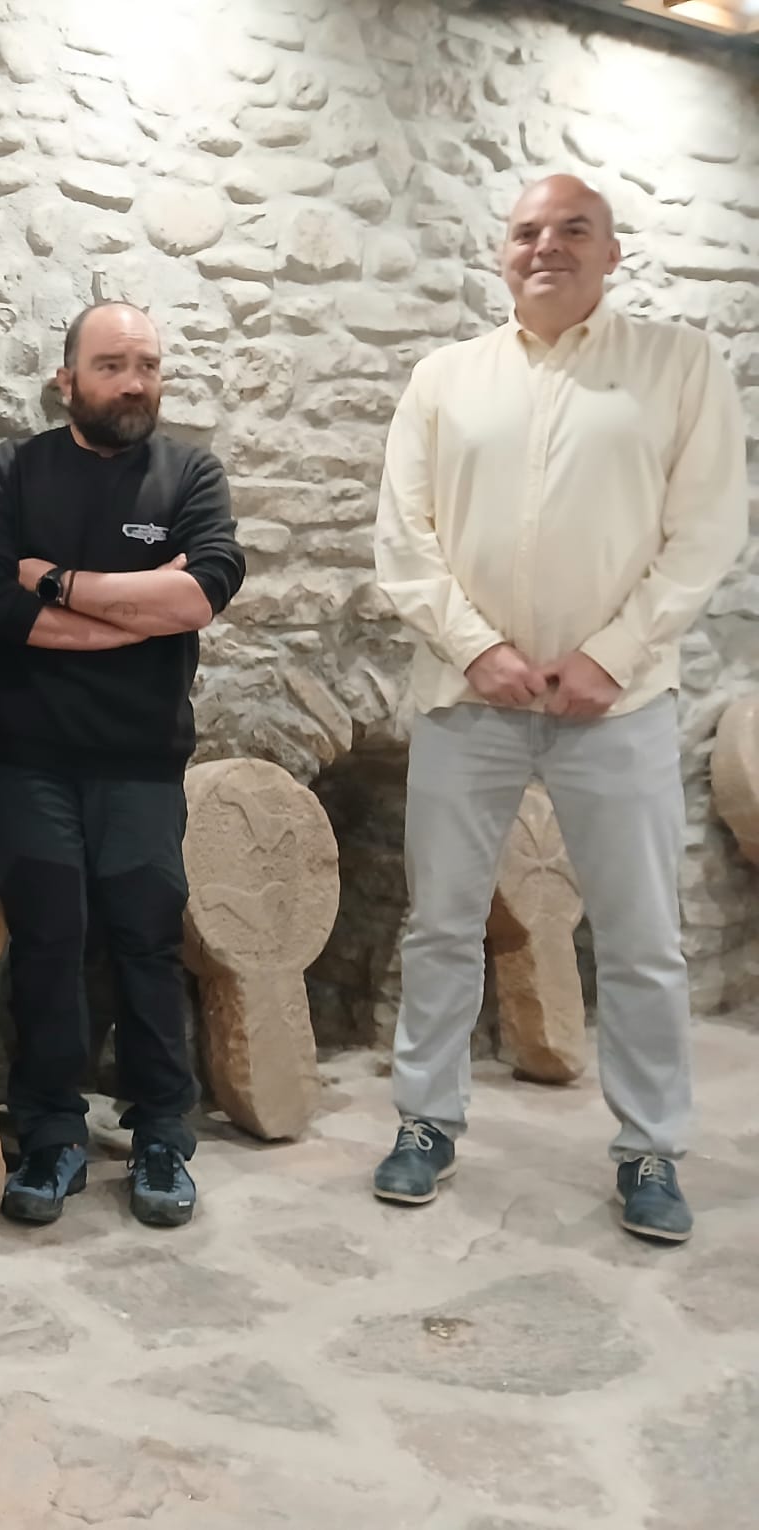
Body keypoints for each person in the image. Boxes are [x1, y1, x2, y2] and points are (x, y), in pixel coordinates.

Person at [371, 173, 745, 1243]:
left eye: (572, 231)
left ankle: (650, 1149)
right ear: (502, 256)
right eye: (527, 232)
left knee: (640, 939)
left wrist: (614, 655)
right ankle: (425, 1122)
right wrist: (478, 647)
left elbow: (707, 530)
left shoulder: (677, 367)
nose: (547, 247)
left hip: (615, 707)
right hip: (467, 698)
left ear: (612, 252)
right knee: (440, 924)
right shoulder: (446, 379)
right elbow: (406, 539)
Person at [0, 303, 245, 1231]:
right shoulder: (17, 470)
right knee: (48, 941)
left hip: (143, 760)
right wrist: (130, 617)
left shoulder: (190, 473)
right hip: (29, 755)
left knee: (147, 941)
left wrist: (62, 583)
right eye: (112, 365)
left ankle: (162, 1130)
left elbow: (204, 592)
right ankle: (51, 1131)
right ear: (66, 379)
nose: (134, 382)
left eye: (148, 365)